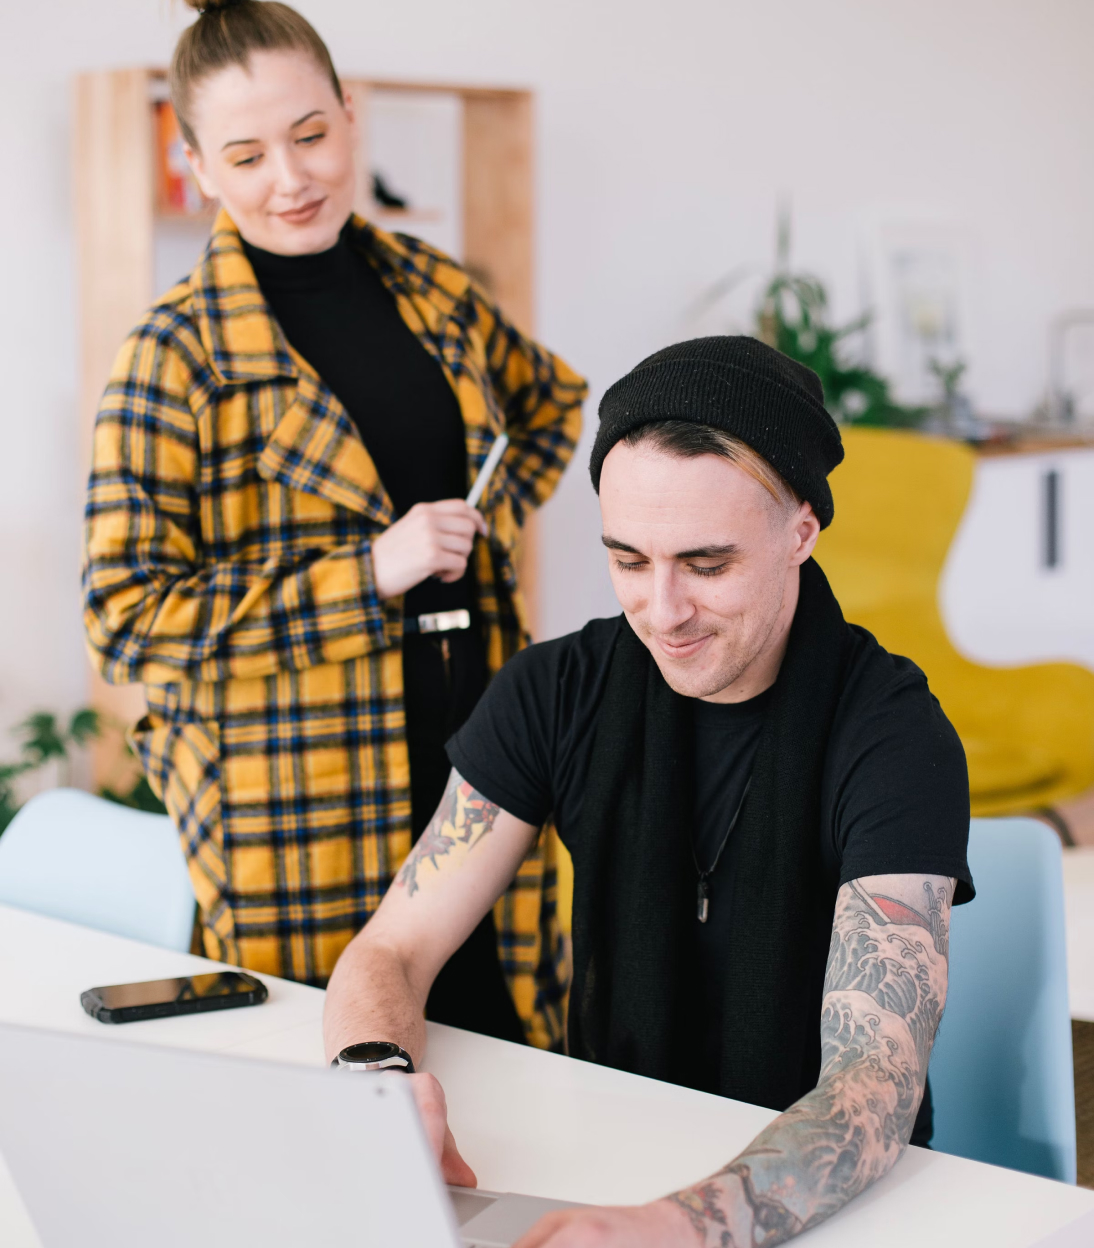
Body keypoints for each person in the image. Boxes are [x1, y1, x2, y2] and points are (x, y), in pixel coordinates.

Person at [323, 336, 973, 1247]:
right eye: (628, 560)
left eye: (706, 566)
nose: (662, 612)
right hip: (605, 1148)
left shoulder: (894, 735)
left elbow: (872, 1091)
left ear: (803, 530)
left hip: (836, 1208)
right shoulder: (558, 690)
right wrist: (376, 1085)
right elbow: (390, 949)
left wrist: (677, 1227)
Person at [81, 0, 586, 1049]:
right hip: (296, 786)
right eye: (247, 153)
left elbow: (549, 403)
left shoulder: (429, 286)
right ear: (198, 168)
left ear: (351, 117)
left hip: (482, 742)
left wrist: (474, 536)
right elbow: (127, 621)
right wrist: (368, 575)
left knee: (511, 1038)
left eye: (310, 136)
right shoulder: (170, 356)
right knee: (335, 1075)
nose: (289, 178)